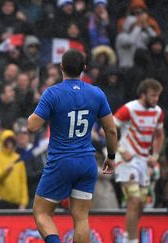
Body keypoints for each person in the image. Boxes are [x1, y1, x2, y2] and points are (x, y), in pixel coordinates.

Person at [27, 49, 117, 243]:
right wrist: (111, 157)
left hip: (61, 161)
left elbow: (32, 127)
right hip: (87, 162)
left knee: (42, 213)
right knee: (81, 218)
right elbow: (110, 130)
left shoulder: (52, 93)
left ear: (61, 67)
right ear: (84, 68)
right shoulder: (96, 93)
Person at [114, 79, 164, 243]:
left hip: (143, 161)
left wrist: (154, 156)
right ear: (143, 95)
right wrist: (121, 150)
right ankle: (132, 240)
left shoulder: (158, 112)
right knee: (134, 199)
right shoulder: (129, 109)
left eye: (157, 96)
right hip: (127, 160)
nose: (156, 99)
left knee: (142, 203)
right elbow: (108, 129)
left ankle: (129, 235)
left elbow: (159, 135)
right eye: (153, 95)